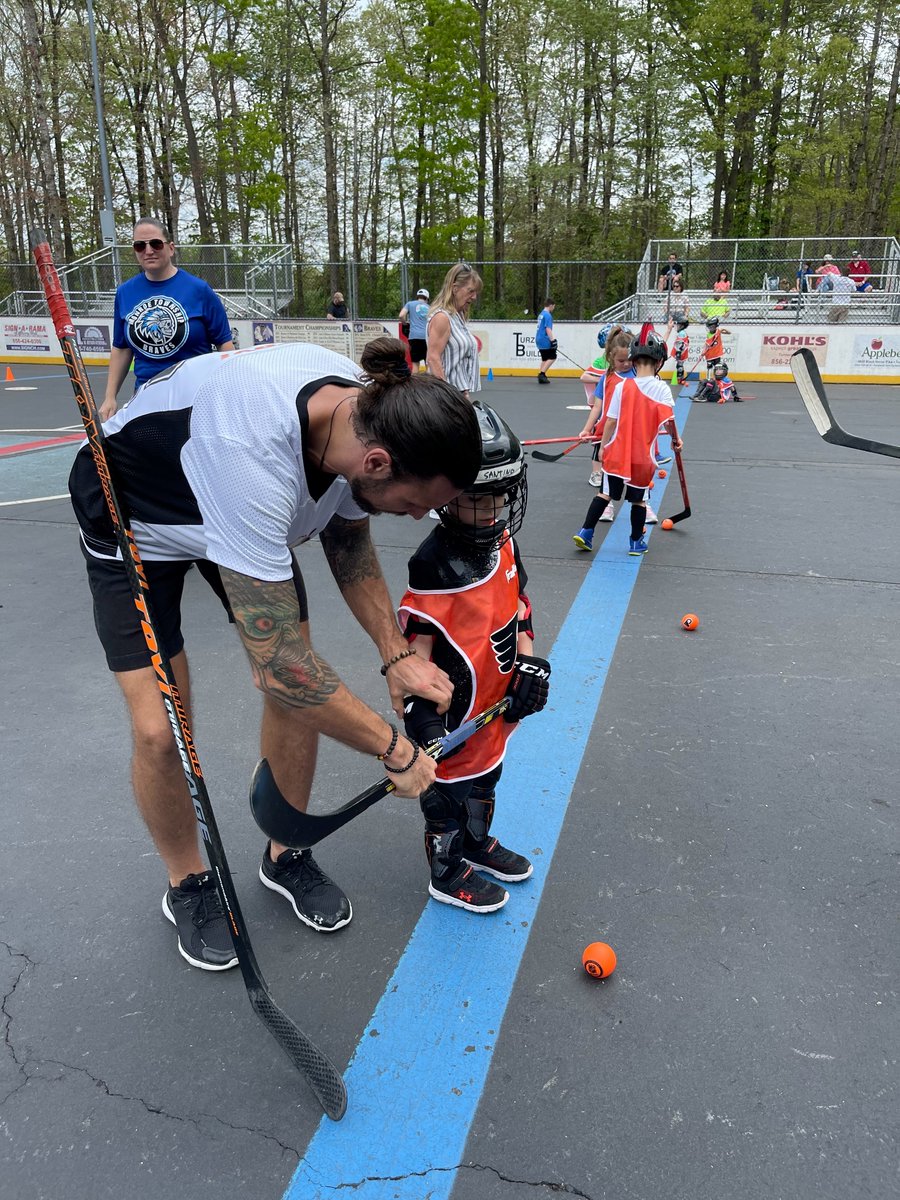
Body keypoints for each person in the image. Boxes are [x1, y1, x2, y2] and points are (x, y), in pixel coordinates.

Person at [67, 337, 483, 969]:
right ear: (376, 463)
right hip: (139, 518)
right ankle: (188, 883)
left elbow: (348, 542)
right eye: (416, 503)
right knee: (162, 728)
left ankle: (285, 851)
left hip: (235, 519)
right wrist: (393, 749)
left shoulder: (366, 407)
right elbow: (285, 670)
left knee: (299, 694)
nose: (416, 516)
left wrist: (394, 653)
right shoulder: (251, 451)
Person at [398, 404, 550, 912]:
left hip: (496, 700)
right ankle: (445, 869)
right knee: (444, 794)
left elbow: (519, 607)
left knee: (489, 775)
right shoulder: (434, 563)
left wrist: (528, 662)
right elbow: (417, 650)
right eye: (476, 499)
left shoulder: (504, 540)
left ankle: (475, 843)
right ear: (446, 497)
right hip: (455, 711)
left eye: (500, 497)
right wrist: (421, 718)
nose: (492, 510)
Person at [100, 218, 234, 421]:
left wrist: (231, 392)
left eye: (155, 243)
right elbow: (121, 348)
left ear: (170, 248)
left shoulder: (199, 290)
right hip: (147, 400)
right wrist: (110, 397)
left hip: (194, 400)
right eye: (139, 246)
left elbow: (224, 344)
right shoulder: (125, 293)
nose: (148, 250)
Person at [572, 331, 681, 556]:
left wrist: (602, 447)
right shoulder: (661, 389)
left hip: (617, 453)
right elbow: (669, 421)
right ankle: (635, 542)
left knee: (604, 494)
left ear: (632, 359)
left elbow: (610, 421)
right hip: (642, 458)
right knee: (639, 501)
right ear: (659, 362)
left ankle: (586, 532)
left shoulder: (623, 387)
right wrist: (675, 440)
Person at [426, 262, 483, 401]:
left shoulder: (458, 316)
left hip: (458, 393)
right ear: (455, 288)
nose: (474, 297)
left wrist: (464, 393)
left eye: (476, 292)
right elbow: (433, 358)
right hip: (444, 397)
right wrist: (448, 397)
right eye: (471, 291)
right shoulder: (442, 318)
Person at [578, 323, 611, 403]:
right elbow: (584, 377)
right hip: (604, 398)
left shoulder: (627, 360)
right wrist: (599, 379)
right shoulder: (600, 361)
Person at [399, 288, 430, 369]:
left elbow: (401, 315)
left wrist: (405, 324)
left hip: (414, 337)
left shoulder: (410, 304)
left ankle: (415, 381)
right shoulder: (430, 307)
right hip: (426, 338)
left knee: (415, 364)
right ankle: (427, 381)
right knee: (428, 364)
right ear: (426, 298)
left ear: (417, 297)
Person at [535, 299, 557, 384]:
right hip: (544, 338)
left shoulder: (541, 314)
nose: (553, 308)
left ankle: (541, 375)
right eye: (553, 307)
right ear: (551, 305)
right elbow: (548, 329)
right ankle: (542, 374)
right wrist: (552, 341)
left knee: (545, 358)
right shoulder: (548, 315)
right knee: (552, 356)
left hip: (539, 338)